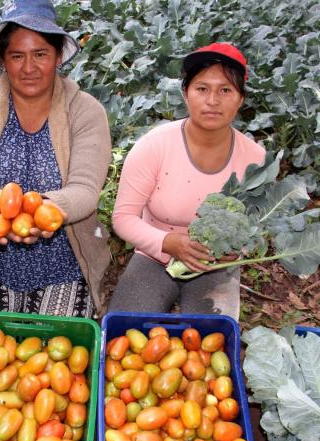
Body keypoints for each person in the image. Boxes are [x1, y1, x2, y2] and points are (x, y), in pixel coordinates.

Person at [0, 0, 112, 319]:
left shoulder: (85, 111)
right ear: (3, 60)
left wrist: (41, 210)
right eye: (17, 56)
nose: (28, 67)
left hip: (64, 263)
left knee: (57, 356)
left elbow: (85, 189)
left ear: (58, 56)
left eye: (40, 54)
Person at [108, 43, 265, 318]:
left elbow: (261, 225)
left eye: (225, 90)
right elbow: (123, 218)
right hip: (154, 256)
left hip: (215, 266)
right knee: (125, 332)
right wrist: (168, 242)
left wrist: (238, 248)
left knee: (213, 343)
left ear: (241, 99)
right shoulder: (153, 146)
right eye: (202, 88)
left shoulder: (255, 160)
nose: (213, 100)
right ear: (185, 93)